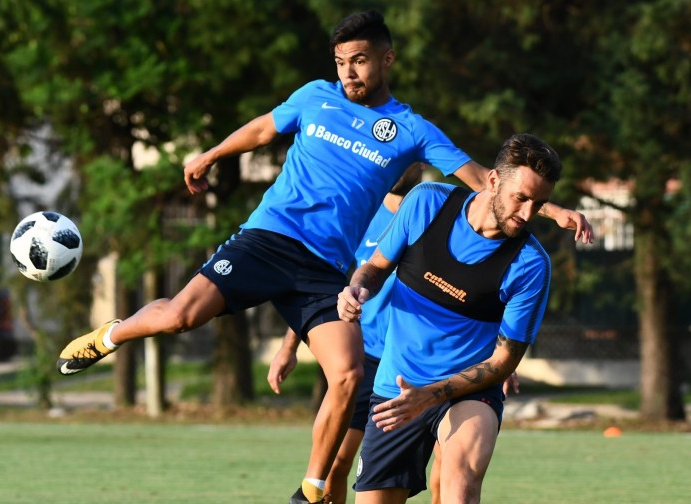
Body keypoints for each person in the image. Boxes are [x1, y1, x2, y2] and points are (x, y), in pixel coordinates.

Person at [57, 10, 590, 504]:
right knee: (179, 317)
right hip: (267, 238)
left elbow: (487, 182)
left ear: (386, 59)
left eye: (358, 60)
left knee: (348, 373)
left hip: (323, 269)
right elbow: (266, 127)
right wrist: (213, 153)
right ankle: (110, 335)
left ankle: (310, 491)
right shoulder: (315, 96)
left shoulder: (411, 129)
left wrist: (554, 212)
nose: (348, 73)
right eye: (340, 62)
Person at [269, 165, 520, 504]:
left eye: (413, 157)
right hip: (368, 358)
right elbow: (324, 283)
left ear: (421, 164)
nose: (404, 163)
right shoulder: (360, 216)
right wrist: (289, 345)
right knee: (337, 463)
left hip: (429, 365)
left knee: (451, 471)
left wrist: (502, 361)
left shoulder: (436, 213)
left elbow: (484, 296)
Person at [337, 133, 562, 503]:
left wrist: (432, 395)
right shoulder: (427, 204)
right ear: (493, 180)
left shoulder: (530, 265)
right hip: (398, 389)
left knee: (459, 486)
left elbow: (503, 361)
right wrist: (358, 288)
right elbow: (375, 268)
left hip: (468, 393)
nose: (526, 215)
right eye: (520, 198)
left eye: (539, 204)